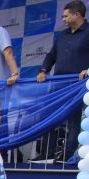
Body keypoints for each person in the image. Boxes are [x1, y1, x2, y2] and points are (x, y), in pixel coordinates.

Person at [37, 1, 89, 161]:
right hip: (59, 85)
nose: (63, 19)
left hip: (78, 86)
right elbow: (51, 55)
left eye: (66, 16)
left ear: (77, 14)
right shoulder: (63, 35)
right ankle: (46, 154)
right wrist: (43, 70)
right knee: (48, 117)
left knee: (74, 122)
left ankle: (67, 158)